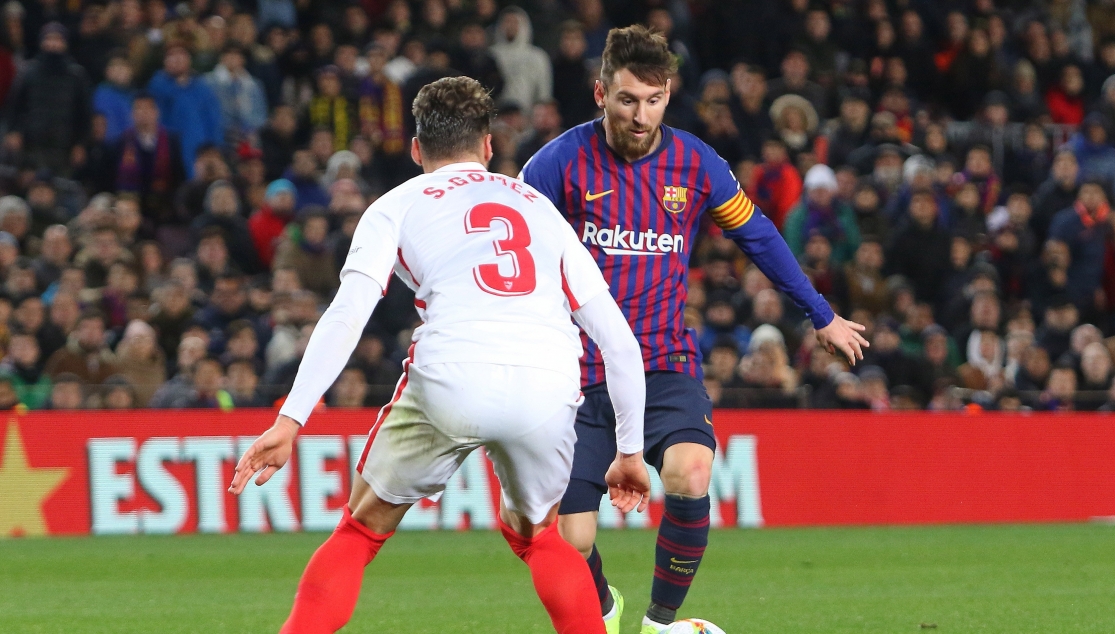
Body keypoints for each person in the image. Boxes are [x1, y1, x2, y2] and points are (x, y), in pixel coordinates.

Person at [229, 76, 651, 634]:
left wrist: (290, 419)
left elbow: (347, 314)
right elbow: (619, 341)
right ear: (489, 146)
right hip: (548, 381)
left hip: (454, 371)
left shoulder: (394, 206)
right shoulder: (538, 207)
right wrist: (630, 451)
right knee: (541, 538)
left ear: (416, 149)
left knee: (359, 532)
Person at [519, 26, 868, 634]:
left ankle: (659, 624)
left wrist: (822, 314)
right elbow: (513, 258)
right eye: (627, 100)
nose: (640, 114)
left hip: (662, 362)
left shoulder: (695, 163)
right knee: (567, 541)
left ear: (668, 97)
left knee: (692, 470)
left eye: (654, 101)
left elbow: (757, 234)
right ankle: (604, 608)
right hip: (575, 373)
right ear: (601, 93)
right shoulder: (554, 166)